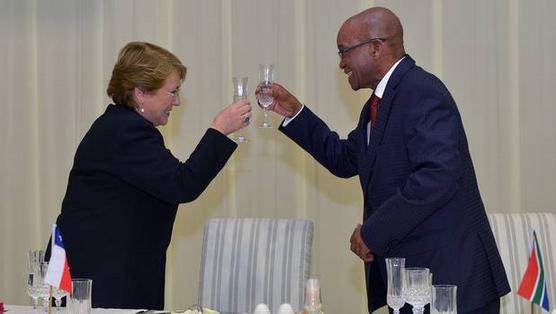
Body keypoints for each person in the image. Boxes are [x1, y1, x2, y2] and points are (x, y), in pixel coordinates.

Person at [257, 7, 510, 314]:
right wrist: (295, 112)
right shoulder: (380, 102)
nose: (340, 64)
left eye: (344, 52)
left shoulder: (422, 92)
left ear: (375, 47)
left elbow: (437, 176)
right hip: (414, 283)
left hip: (449, 283)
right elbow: (345, 159)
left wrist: (372, 232)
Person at [49, 41, 251, 309]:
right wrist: (218, 130)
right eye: (173, 92)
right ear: (141, 92)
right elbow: (181, 184)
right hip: (101, 276)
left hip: (109, 270)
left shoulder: (120, 126)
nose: (177, 101)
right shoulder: (127, 132)